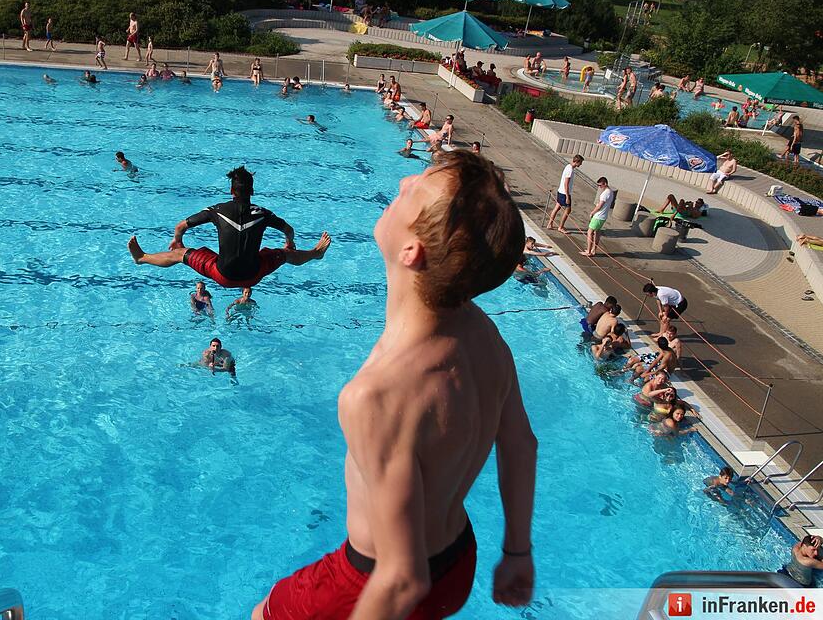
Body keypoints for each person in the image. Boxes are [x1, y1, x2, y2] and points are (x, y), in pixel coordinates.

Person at [251, 151, 535, 620]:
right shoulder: (484, 334)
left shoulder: (374, 397)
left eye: (415, 189)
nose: (403, 179)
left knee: (266, 614)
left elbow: (403, 580)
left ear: (411, 252)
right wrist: (518, 553)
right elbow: (521, 446)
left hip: (376, 581)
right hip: (459, 561)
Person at [127, 166, 331, 289]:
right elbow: (289, 229)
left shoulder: (217, 210)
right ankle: (315, 253)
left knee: (180, 255)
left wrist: (178, 241)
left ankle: (142, 258)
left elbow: (181, 226)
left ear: (231, 190)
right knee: (286, 255)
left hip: (222, 275)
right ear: (252, 190)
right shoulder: (264, 214)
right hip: (254, 274)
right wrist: (290, 243)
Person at [548, 154, 583, 233]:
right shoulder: (570, 170)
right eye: (580, 163)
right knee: (568, 210)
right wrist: (567, 196)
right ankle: (561, 227)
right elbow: (566, 183)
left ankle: (550, 224)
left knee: (557, 207)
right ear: (577, 162)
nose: (581, 164)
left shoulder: (568, 166)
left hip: (561, 191)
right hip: (564, 193)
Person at [582, 177, 614, 257]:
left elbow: (600, 206)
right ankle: (593, 250)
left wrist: (592, 212)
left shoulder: (605, 193)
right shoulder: (611, 192)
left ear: (605, 184)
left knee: (590, 232)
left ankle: (589, 251)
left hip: (599, 216)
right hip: (603, 216)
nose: (599, 187)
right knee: (597, 232)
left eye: (600, 185)